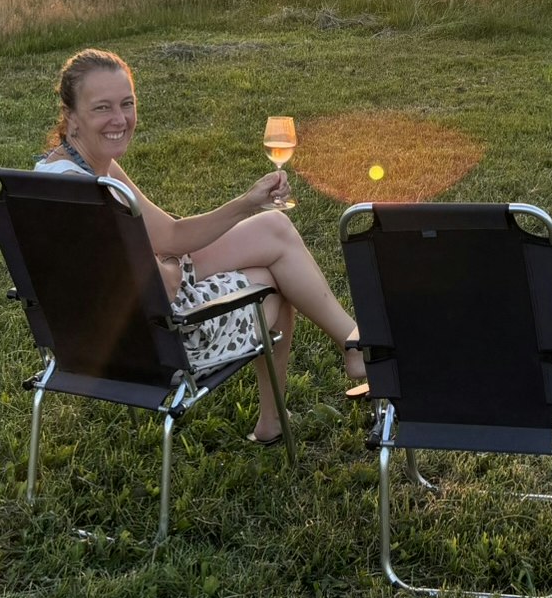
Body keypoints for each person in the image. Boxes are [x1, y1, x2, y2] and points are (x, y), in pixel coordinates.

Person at [34, 47, 367, 444]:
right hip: (157, 345)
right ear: (71, 116)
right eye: (102, 108)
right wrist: (168, 263)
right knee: (275, 285)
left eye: (127, 103)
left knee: (273, 227)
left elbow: (170, 236)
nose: (120, 119)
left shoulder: (60, 172)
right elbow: (165, 284)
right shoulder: (92, 194)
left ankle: (352, 344)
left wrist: (247, 203)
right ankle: (326, 376)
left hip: (96, 337)